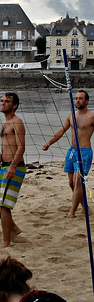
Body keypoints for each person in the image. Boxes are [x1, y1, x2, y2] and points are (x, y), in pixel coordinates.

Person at [42, 90, 94, 218]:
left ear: (86, 101)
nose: (77, 100)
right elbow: (61, 131)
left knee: (77, 181)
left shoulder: (91, 116)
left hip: (85, 152)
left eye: (80, 98)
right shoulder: (71, 115)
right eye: (76, 98)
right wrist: (49, 143)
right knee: (72, 183)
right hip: (72, 151)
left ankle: (72, 212)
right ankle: (85, 207)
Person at [0, 92, 26, 248]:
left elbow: (21, 148)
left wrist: (13, 166)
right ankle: (13, 227)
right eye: (2, 101)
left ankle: (7, 242)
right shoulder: (4, 123)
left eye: (7, 101)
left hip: (15, 167)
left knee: (3, 205)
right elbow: (6, 150)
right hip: (4, 166)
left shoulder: (17, 122)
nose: (3, 103)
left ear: (14, 105)